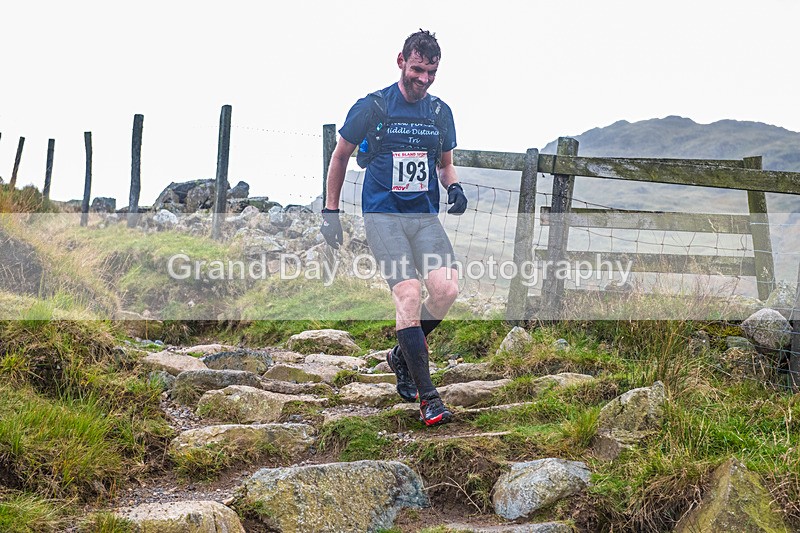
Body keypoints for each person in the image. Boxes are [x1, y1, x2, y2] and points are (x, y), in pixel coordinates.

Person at [320, 29, 468, 427]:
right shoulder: (373, 107)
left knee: (447, 289)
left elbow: (444, 163)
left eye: (431, 73)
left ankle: (400, 356)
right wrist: (330, 211)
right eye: (417, 70)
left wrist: (453, 186)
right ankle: (429, 398)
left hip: (423, 217)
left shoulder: (439, 113)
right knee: (408, 294)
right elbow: (339, 158)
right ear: (401, 60)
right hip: (383, 215)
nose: (423, 80)